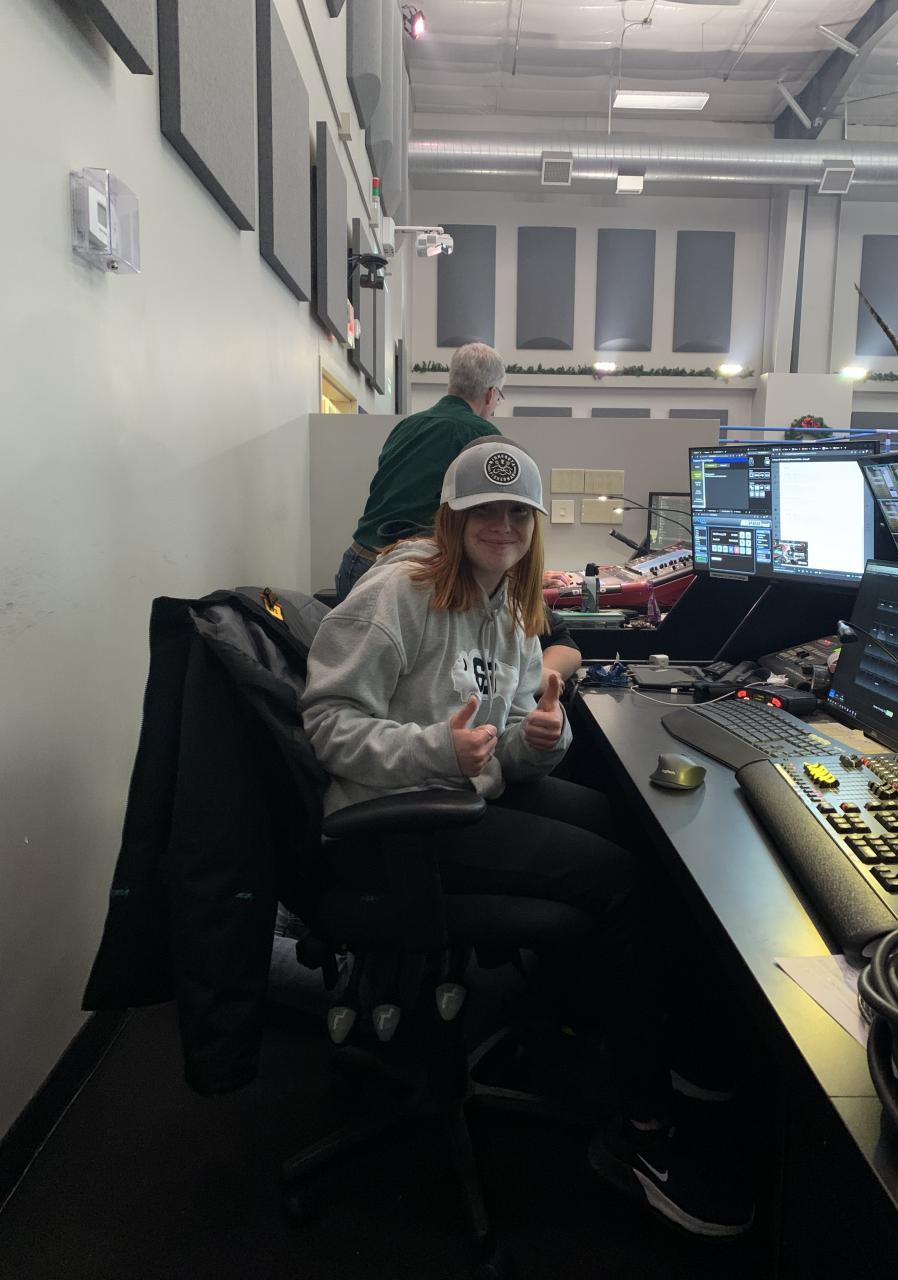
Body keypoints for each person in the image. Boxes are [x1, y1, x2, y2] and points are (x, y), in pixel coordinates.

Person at [301, 439, 751, 1237]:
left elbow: (509, 744)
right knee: (620, 886)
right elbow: (327, 726)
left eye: (519, 512)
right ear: (452, 517)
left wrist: (543, 739)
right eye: (485, 510)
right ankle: (640, 1137)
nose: (503, 526)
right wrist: (434, 749)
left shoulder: (506, 600)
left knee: (633, 836)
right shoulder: (397, 593)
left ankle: (629, 1031)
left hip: (458, 795)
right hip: (396, 823)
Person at [334, 342, 507, 603]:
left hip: (357, 560)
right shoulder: (481, 435)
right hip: (407, 572)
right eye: (499, 398)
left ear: (452, 382)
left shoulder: (407, 425)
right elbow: (493, 519)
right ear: (490, 394)